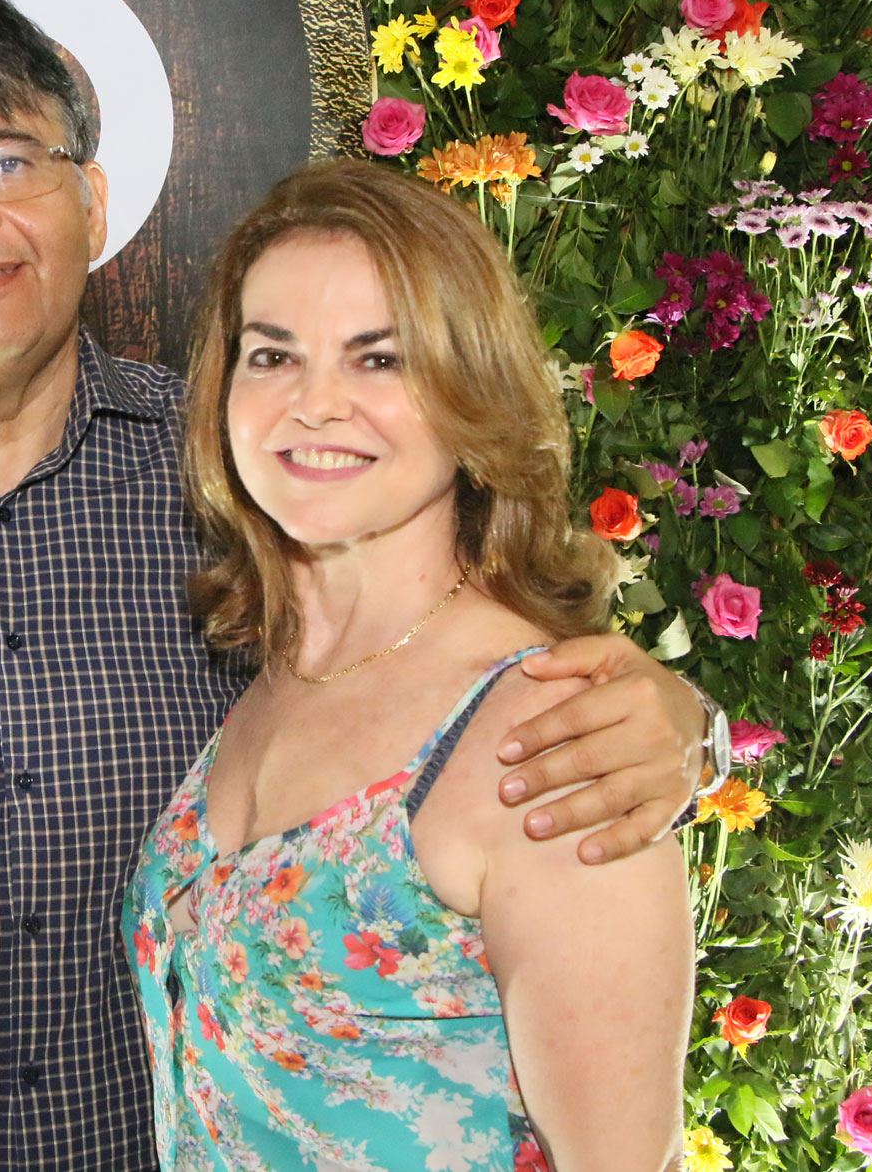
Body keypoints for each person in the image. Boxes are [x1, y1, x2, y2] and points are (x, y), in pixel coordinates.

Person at [0, 0, 722, 1172]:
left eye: (10, 160)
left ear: (94, 201)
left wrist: (686, 730)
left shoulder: (241, 484)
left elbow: (446, 676)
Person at [125, 162, 692, 1171]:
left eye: (378, 359)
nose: (314, 405)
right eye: (273, 355)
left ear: (470, 390)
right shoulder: (273, 679)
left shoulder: (551, 738)